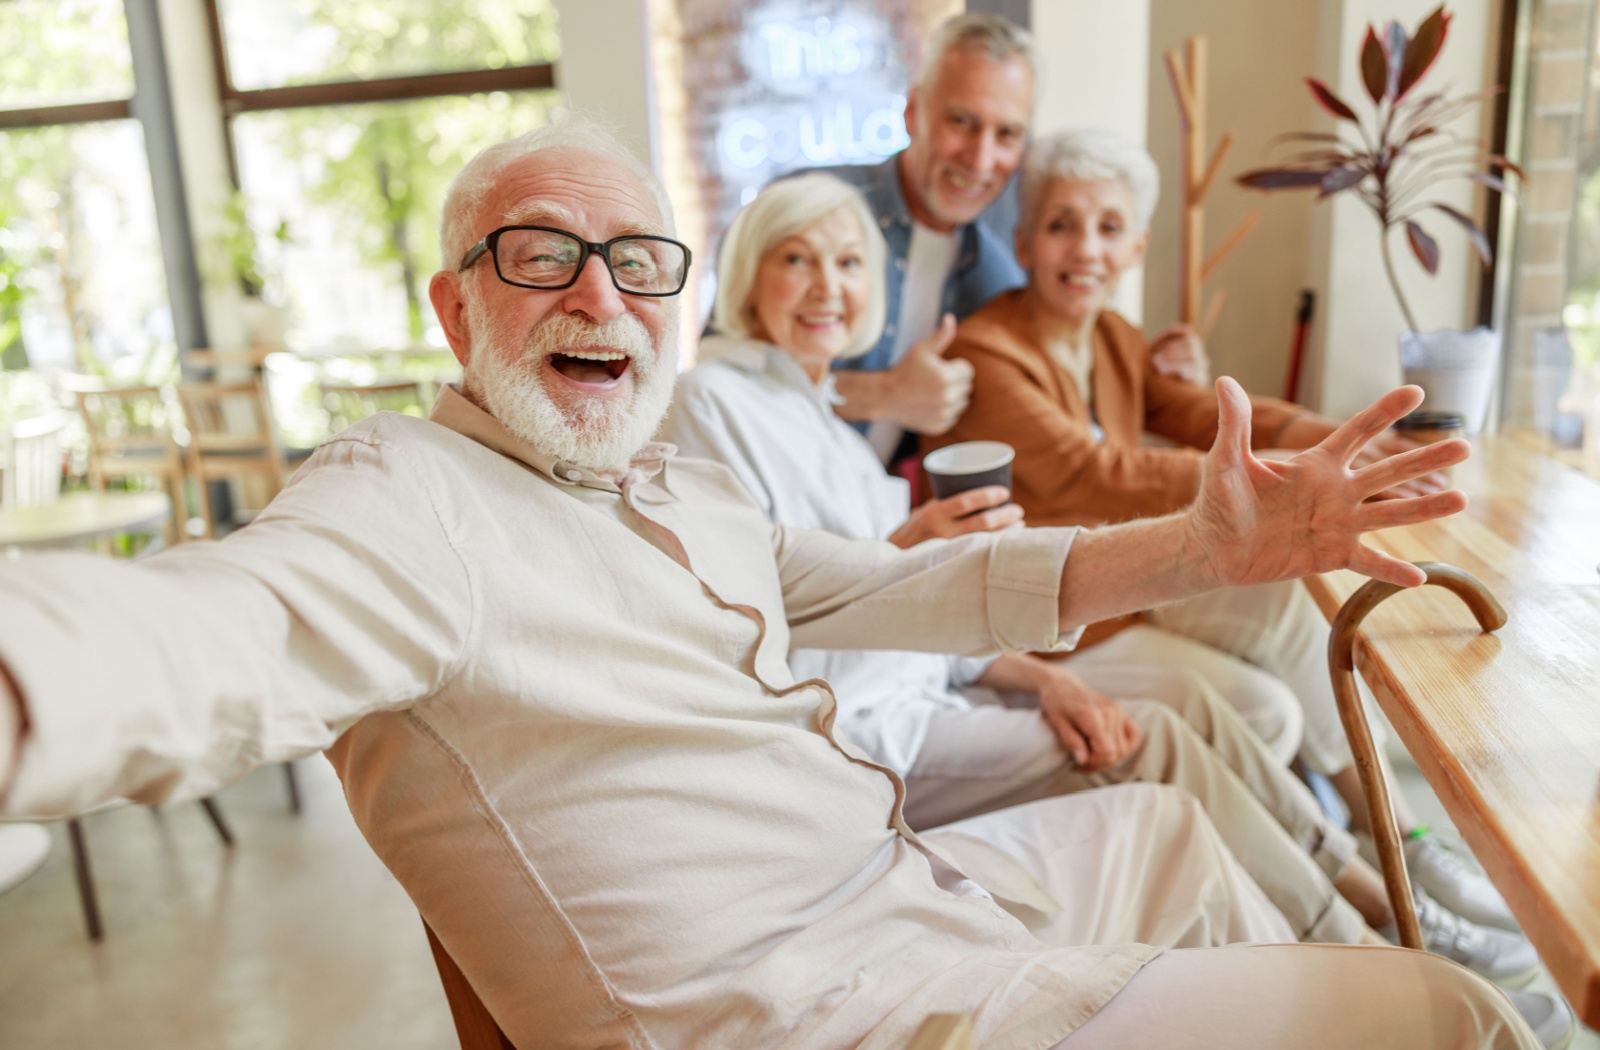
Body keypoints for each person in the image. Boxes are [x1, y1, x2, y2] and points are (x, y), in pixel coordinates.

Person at [0, 123, 1560, 1049]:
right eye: (540, 254)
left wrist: (1209, 549)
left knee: (1158, 824)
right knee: (1440, 1016)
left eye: (635, 258)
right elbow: (199, 635)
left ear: (677, 300)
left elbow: (916, 588)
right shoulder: (407, 501)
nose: (599, 290)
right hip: (821, 1017)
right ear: (453, 304)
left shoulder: (671, 482)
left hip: (903, 903)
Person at [665, 173, 1404, 950]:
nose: (827, 286)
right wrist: (902, 556)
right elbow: (751, 617)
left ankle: (1365, 888)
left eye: (849, 264)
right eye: (796, 259)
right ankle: (1360, 936)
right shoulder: (711, 401)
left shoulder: (834, 432)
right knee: (1149, 739)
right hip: (858, 735)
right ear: (748, 274)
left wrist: (1046, 679)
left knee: (1177, 710)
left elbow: (924, 628)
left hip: (934, 694)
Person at [923, 125, 1527, 942]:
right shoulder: (991, 357)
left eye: (1108, 227)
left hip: (1135, 585)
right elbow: (1106, 474)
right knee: (1265, 705)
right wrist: (1284, 476)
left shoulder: (1109, 337)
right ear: (1025, 240)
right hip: (1068, 615)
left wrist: (1347, 437)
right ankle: (1362, 885)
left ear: (1136, 242)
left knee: (1290, 607)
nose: (1085, 247)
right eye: (1062, 224)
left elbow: (1202, 412)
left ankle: (1400, 839)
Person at [807, 14, 1200, 456]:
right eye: (961, 121)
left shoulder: (995, 275)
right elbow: (720, 373)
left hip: (880, 518)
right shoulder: (812, 209)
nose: (980, 158)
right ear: (913, 111)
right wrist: (880, 394)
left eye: (1007, 134)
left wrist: (1165, 374)